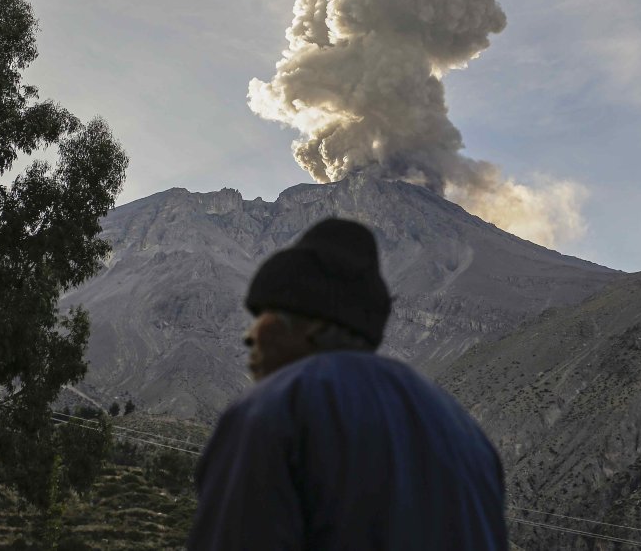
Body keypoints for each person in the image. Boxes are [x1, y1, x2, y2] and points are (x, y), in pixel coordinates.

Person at [187, 218, 508, 550]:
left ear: (307, 324)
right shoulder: (466, 434)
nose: (249, 337)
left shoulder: (275, 411)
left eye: (262, 316)